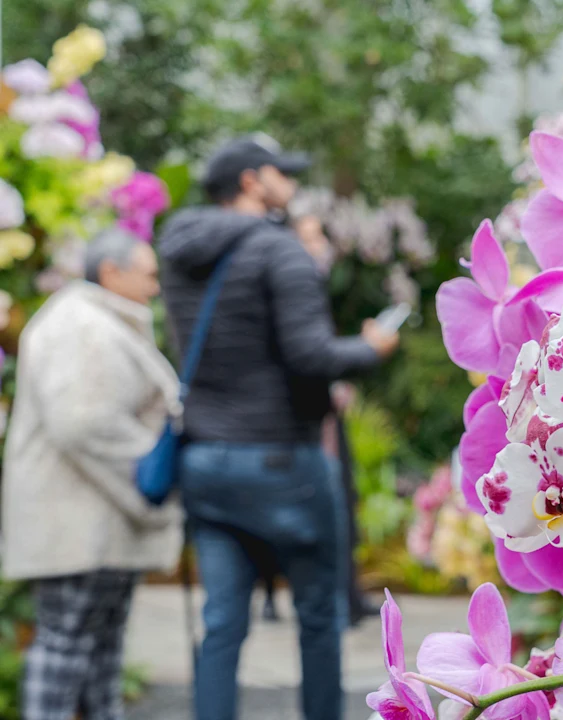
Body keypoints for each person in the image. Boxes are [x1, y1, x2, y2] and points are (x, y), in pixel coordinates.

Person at [157, 134, 398, 720]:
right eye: (280, 173)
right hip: (282, 462)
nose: (290, 184)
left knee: (221, 624)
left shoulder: (177, 251)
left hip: (207, 461)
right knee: (319, 619)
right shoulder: (280, 251)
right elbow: (311, 357)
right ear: (250, 182)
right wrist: (370, 347)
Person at [1, 228, 182, 720]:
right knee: (65, 649)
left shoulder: (99, 321)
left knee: (97, 651)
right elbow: (84, 423)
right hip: (78, 527)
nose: (155, 287)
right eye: (148, 275)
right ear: (110, 272)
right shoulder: (83, 325)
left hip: (96, 525)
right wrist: (148, 483)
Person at [290, 209, 380, 626]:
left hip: (326, 416)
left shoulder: (313, 287)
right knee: (325, 508)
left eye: (318, 237)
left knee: (343, 501)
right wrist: (367, 348)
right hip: (303, 427)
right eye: (307, 238)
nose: (318, 247)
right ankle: (332, 602)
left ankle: (347, 594)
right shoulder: (289, 289)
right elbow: (306, 357)